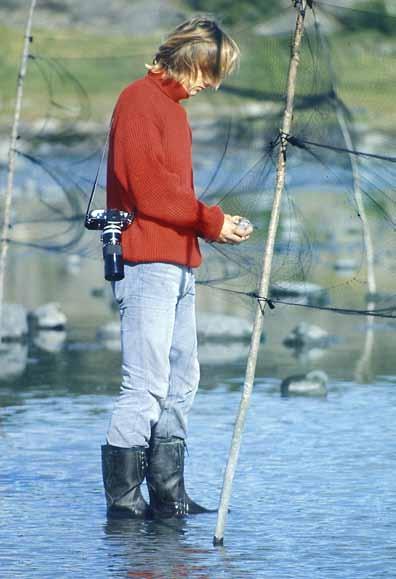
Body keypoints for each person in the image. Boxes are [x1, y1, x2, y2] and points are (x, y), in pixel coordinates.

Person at [102, 16, 252, 519]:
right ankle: (124, 504)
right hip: (147, 264)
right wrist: (212, 220)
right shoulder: (138, 101)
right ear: (188, 59)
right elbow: (152, 193)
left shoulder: (173, 111)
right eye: (210, 71)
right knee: (144, 385)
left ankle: (168, 495)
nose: (211, 83)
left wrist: (210, 225)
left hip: (179, 263)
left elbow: (173, 196)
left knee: (183, 380)